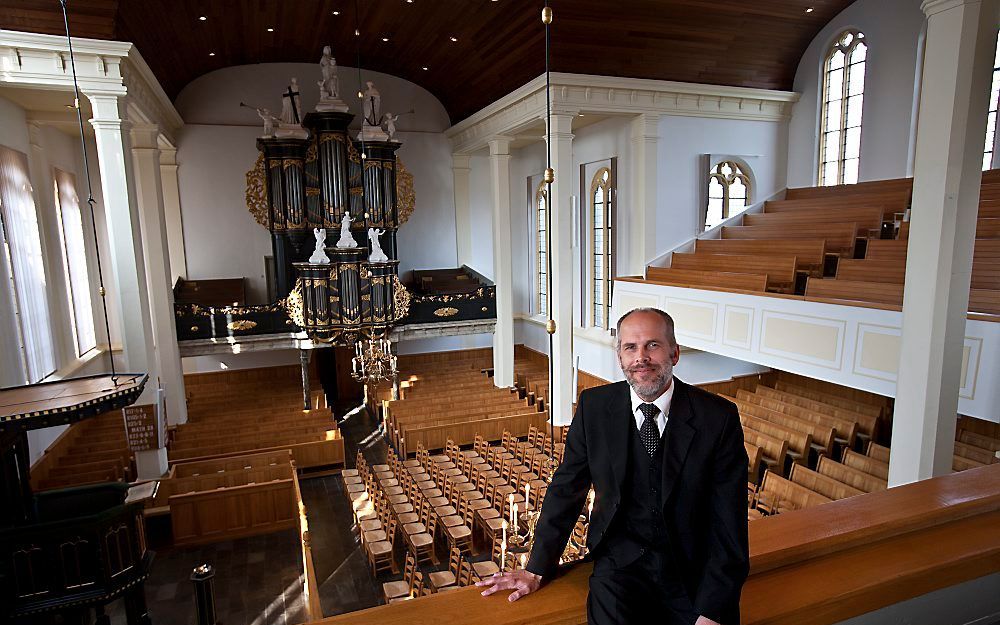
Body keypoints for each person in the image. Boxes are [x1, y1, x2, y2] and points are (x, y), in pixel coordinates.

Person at [478, 307, 749, 625]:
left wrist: (713, 609)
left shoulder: (717, 418)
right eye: (630, 347)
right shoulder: (593, 408)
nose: (641, 357)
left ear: (674, 353)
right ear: (619, 356)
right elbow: (566, 490)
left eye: (653, 345)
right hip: (619, 569)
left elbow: (729, 522)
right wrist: (536, 567)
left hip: (692, 568)